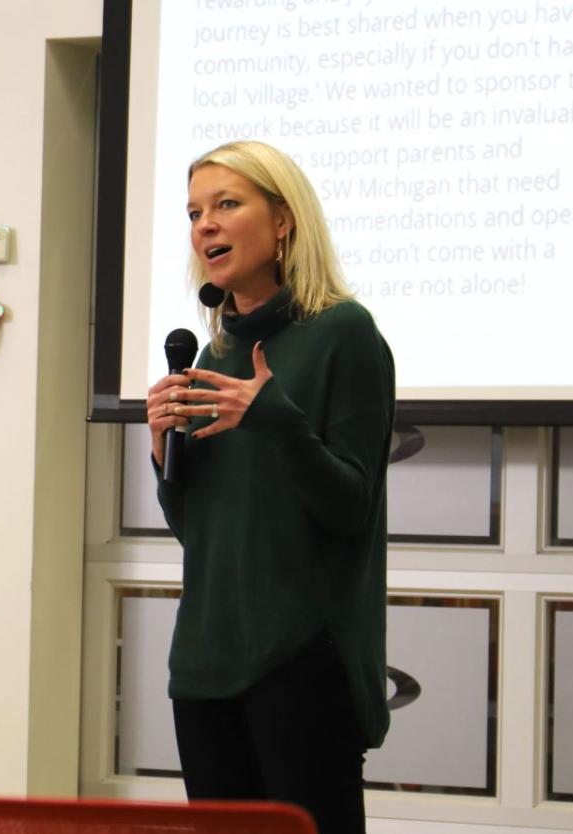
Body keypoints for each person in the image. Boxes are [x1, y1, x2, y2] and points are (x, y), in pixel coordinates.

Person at [146, 140, 394, 834]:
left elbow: (350, 507)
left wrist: (277, 421)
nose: (206, 226)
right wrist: (164, 450)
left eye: (227, 204)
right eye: (195, 212)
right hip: (204, 660)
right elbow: (199, 527)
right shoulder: (212, 353)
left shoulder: (345, 334)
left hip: (300, 658)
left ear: (283, 220)